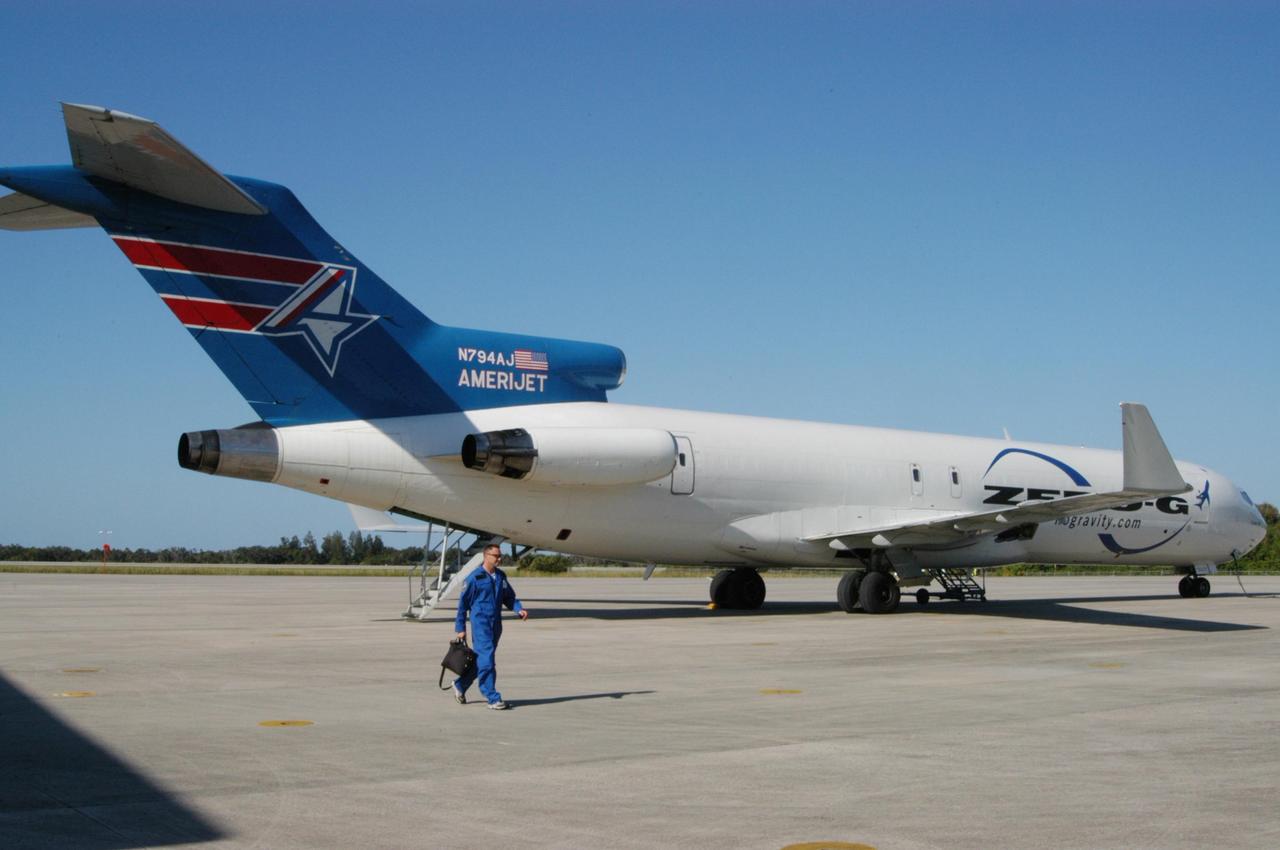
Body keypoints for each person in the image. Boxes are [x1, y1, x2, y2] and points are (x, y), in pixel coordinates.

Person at [453, 543, 528, 709]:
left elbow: (509, 597)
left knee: (482, 659)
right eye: (496, 556)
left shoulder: (500, 576)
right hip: (481, 624)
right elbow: (462, 605)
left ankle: (460, 685)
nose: (499, 558)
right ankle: (492, 696)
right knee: (487, 659)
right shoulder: (474, 578)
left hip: (496, 624)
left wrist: (518, 609)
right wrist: (460, 629)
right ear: (486, 556)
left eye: (500, 556)